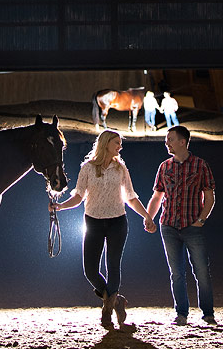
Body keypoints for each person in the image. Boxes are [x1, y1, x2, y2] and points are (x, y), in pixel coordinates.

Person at [51, 129, 150, 328]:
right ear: (105, 144)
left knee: (113, 265)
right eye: (117, 143)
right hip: (93, 221)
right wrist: (60, 206)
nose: (120, 147)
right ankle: (115, 300)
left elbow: (130, 197)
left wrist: (146, 215)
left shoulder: (120, 168)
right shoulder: (87, 168)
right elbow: (79, 197)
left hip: (117, 222)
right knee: (90, 270)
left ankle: (107, 311)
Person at [143, 124, 215, 325]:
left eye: (170, 139)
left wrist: (201, 220)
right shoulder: (164, 167)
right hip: (169, 225)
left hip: (192, 226)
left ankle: (208, 313)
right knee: (177, 273)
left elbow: (209, 197)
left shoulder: (200, 166)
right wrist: (149, 217)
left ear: (182, 142)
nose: (167, 143)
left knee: (201, 271)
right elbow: (157, 196)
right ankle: (181, 313)